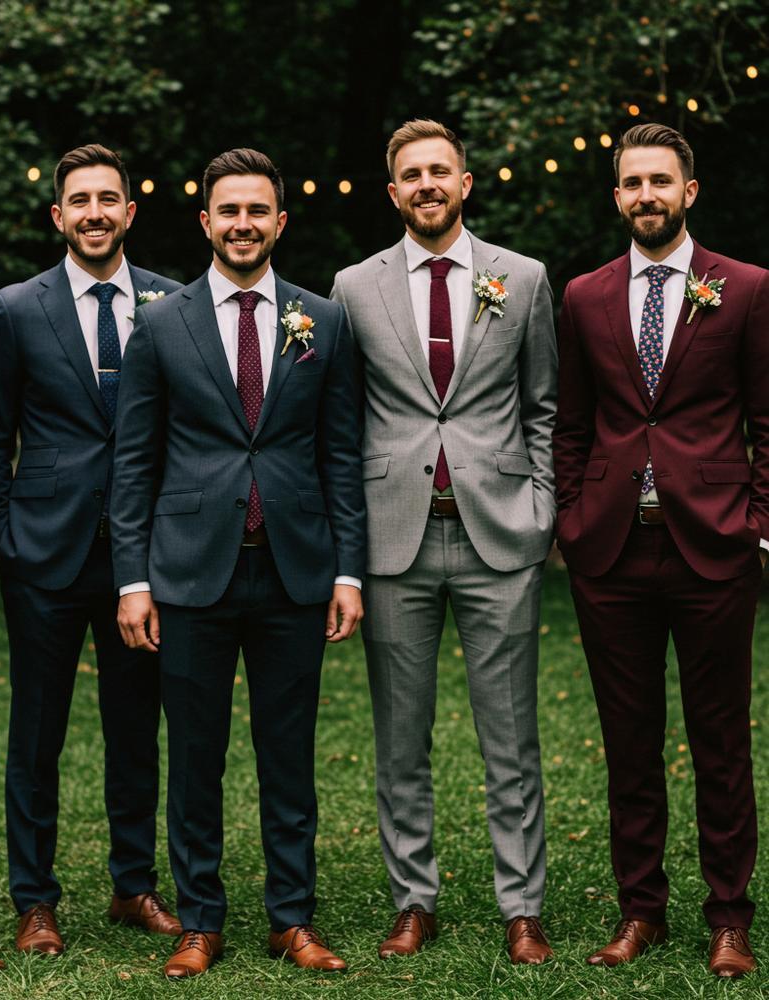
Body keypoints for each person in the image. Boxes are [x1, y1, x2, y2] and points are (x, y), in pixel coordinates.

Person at [110, 148, 366, 978]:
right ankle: (201, 918)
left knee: (288, 756)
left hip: (294, 569)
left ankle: (291, 917)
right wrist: (134, 578)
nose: (244, 224)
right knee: (195, 755)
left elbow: (341, 455)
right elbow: (134, 461)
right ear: (206, 221)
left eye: (259, 211)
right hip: (189, 572)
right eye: (230, 211)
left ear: (279, 222)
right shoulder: (161, 322)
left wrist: (348, 572)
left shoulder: (322, 321)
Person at [332, 119, 557, 964]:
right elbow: (344, 418)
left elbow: (542, 405)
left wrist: (539, 508)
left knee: (511, 736)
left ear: (466, 183)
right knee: (401, 737)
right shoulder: (354, 288)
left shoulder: (523, 279)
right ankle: (412, 899)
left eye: (441, 171)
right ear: (393, 193)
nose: (427, 184)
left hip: (500, 535)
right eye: (410, 175)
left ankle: (522, 905)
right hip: (396, 544)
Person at [553, 122, 768, 978]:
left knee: (721, 740)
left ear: (689, 192)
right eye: (631, 183)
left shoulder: (745, 288)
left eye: (660, 182)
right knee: (629, 741)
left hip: (713, 548)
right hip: (609, 552)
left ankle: (729, 917)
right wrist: (572, 519)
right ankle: (640, 910)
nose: (645, 196)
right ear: (616, 198)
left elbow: (766, 417)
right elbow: (571, 422)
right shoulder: (584, 296)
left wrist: (757, 521)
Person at [0, 143, 182, 954]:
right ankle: (35, 899)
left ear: (129, 213)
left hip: (144, 557)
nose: (95, 212)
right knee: (37, 730)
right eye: (80, 201)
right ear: (58, 215)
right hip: (45, 552)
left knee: (137, 724)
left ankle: (132, 884)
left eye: (110, 199)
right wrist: (3, 537)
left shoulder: (173, 304)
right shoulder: (15, 308)